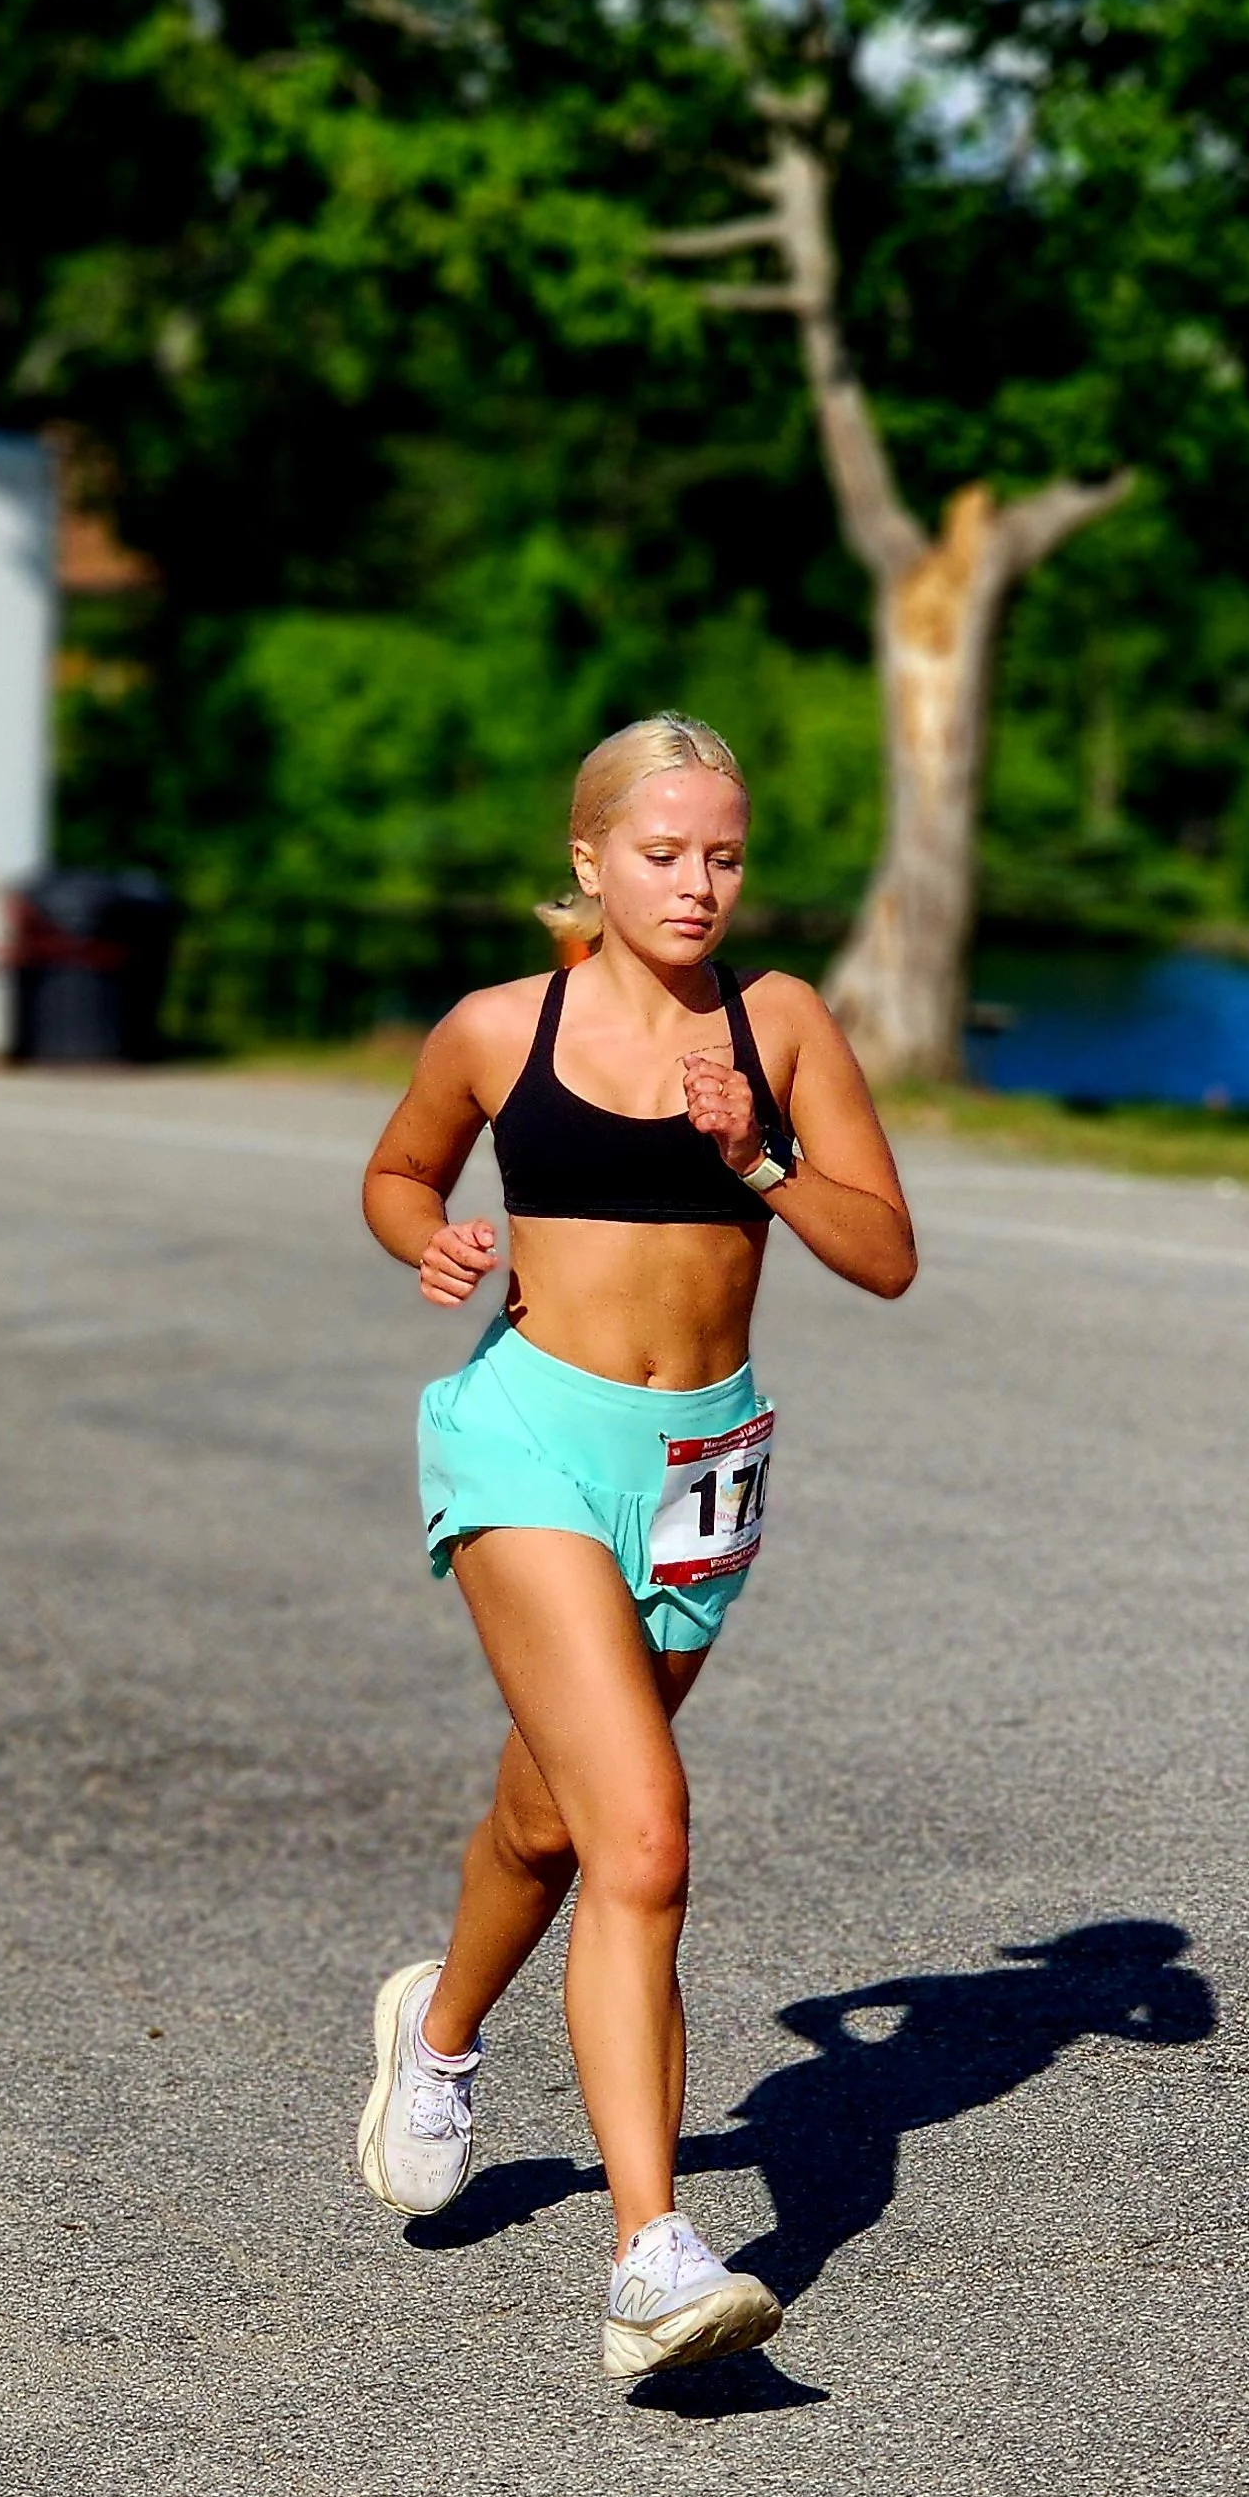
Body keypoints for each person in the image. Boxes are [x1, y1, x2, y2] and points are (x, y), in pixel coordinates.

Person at [357, 709, 916, 2378]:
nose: (697, 886)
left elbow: (884, 1253)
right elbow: (397, 1171)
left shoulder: (784, 1023)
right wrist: (433, 1242)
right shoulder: (494, 1028)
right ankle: (652, 2260)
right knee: (647, 1838)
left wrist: (760, 1153)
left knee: (552, 1816)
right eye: (663, 854)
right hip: (528, 1437)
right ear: (588, 861)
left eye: (725, 856)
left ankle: (436, 2034)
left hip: (703, 1463)